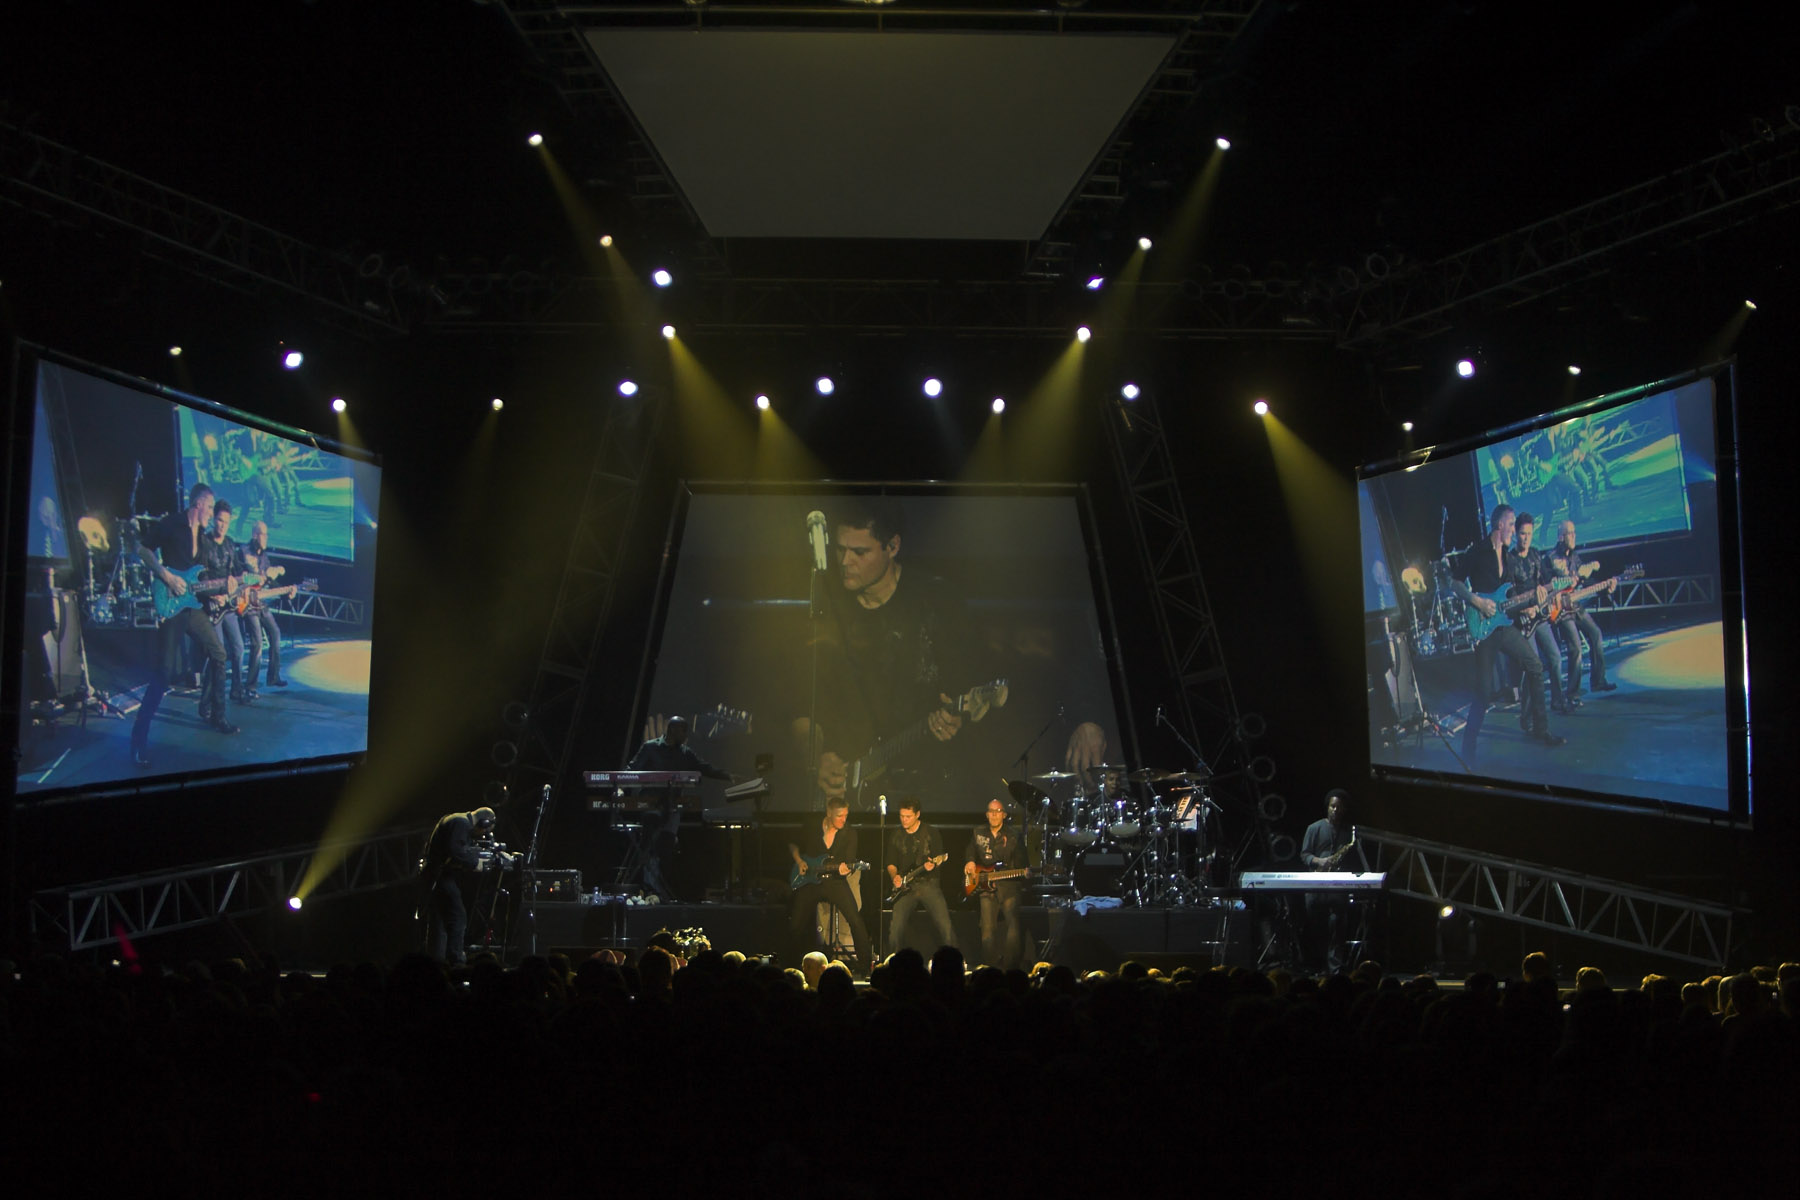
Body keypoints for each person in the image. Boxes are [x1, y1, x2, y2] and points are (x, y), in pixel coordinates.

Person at [798, 499, 992, 806]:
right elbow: (800, 702)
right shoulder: (827, 609)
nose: (845, 561)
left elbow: (973, 685)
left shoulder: (937, 600)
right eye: (840, 549)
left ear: (893, 546)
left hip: (927, 788)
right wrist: (817, 757)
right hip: (849, 793)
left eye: (859, 552)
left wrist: (957, 717)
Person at [129, 484, 236, 767]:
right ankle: (138, 740)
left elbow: (198, 580)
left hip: (191, 607)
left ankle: (217, 715)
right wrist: (166, 576)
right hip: (172, 605)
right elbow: (142, 549)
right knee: (164, 672)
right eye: (210, 508)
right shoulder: (172, 523)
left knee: (219, 653)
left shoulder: (202, 538)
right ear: (198, 504)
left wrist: (221, 590)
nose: (212, 514)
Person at [1449, 504, 1562, 764]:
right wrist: (1477, 602)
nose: (1514, 530)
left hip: (1505, 625)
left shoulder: (1509, 559)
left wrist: (1532, 602)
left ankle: (1540, 729)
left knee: (1535, 666)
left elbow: (1511, 595)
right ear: (1500, 525)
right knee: (1484, 692)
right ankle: (1468, 751)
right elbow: (1455, 583)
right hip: (1485, 629)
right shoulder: (1478, 551)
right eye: (1511, 525)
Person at [626, 714, 733, 900]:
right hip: (652, 804)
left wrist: (728, 776)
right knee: (649, 846)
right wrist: (619, 786)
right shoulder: (650, 747)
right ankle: (648, 889)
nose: (686, 736)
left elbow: (704, 767)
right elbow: (632, 768)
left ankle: (660, 892)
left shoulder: (685, 752)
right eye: (684, 732)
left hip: (673, 807)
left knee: (666, 848)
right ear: (673, 730)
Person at [787, 798, 871, 973]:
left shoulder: (849, 833)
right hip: (811, 882)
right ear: (829, 813)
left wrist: (845, 869)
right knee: (795, 924)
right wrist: (799, 861)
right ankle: (791, 966)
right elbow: (793, 844)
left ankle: (866, 967)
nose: (843, 820)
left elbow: (849, 861)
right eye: (840, 816)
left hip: (835, 882)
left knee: (856, 920)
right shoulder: (812, 825)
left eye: (846, 815)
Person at [1547, 520, 1618, 703]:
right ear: (1561, 537)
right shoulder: (1551, 558)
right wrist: (1581, 573)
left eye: (1574, 533)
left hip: (1575, 604)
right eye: (1570, 533)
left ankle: (1598, 681)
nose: (1574, 536)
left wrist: (1605, 587)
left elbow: (1584, 583)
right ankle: (1572, 693)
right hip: (1561, 609)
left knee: (1595, 634)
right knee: (1576, 647)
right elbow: (1554, 582)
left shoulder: (1574, 557)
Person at [1507, 513, 1570, 715]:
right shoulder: (1509, 560)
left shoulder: (1535, 555)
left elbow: (1546, 582)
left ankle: (1558, 700)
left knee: (1555, 657)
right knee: (1534, 667)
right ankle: (1527, 714)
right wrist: (1523, 608)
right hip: (1523, 620)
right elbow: (1509, 593)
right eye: (1522, 534)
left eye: (1529, 534)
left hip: (1540, 616)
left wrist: (1551, 594)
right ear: (1516, 534)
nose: (1526, 538)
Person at [420, 805, 495, 964]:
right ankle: (456, 961)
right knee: (458, 917)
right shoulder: (461, 823)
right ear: (483, 823)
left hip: (435, 875)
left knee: (438, 922)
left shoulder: (457, 820)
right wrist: (475, 862)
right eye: (484, 830)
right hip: (440, 876)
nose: (482, 834)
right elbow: (456, 850)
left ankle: (436, 962)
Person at [962, 797, 1029, 970]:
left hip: (1008, 885)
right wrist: (970, 861)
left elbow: (1023, 863)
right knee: (987, 931)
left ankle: (1010, 967)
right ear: (987, 814)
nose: (994, 815)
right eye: (991, 811)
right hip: (985, 885)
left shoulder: (1013, 835)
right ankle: (990, 968)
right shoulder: (978, 832)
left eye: (997, 811)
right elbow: (970, 849)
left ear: (1004, 815)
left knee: (1013, 924)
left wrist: (1021, 871)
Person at [1299, 789, 1361, 973]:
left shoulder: (1348, 831)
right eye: (1333, 806)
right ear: (1327, 807)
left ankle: (1335, 967)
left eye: (1339, 807)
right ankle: (1317, 964)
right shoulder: (1314, 828)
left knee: (1338, 924)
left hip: (1337, 886)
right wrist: (1320, 861)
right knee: (1316, 926)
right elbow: (1304, 854)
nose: (1335, 810)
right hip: (1316, 885)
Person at [885, 796, 955, 955]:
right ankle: (892, 961)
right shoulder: (896, 834)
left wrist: (933, 864)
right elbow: (890, 862)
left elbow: (939, 857)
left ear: (917, 815)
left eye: (908, 816)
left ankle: (954, 959)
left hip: (928, 883)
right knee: (895, 929)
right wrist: (895, 877)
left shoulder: (931, 832)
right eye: (902, 816)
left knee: (945, 925)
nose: (904, 820)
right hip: (905, 887)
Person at [199, 500, 250, 706]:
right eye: (220, 521)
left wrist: (245, 583)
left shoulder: (230, 543)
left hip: (228, 605)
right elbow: (200, 574)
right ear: (214, 519)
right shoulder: (204, 542)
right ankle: (206, 703)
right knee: (217, 655)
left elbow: (238, 571)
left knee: (238, 648)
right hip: (211, 606)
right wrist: (213, 595)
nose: (223, 525)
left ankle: (236, 690)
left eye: (227, 522)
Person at [240, 520, 288, 695]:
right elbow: (242, 577)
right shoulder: (244, 552)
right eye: (263, 534)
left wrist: (286, 590)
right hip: (247, 604)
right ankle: (250, 686)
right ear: (255, 535)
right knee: (257, 643)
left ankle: (273, 676)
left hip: (261, 603)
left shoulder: (264, 557)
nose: (266, 538)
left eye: (267, 534)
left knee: (275, 634)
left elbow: (269, 581)